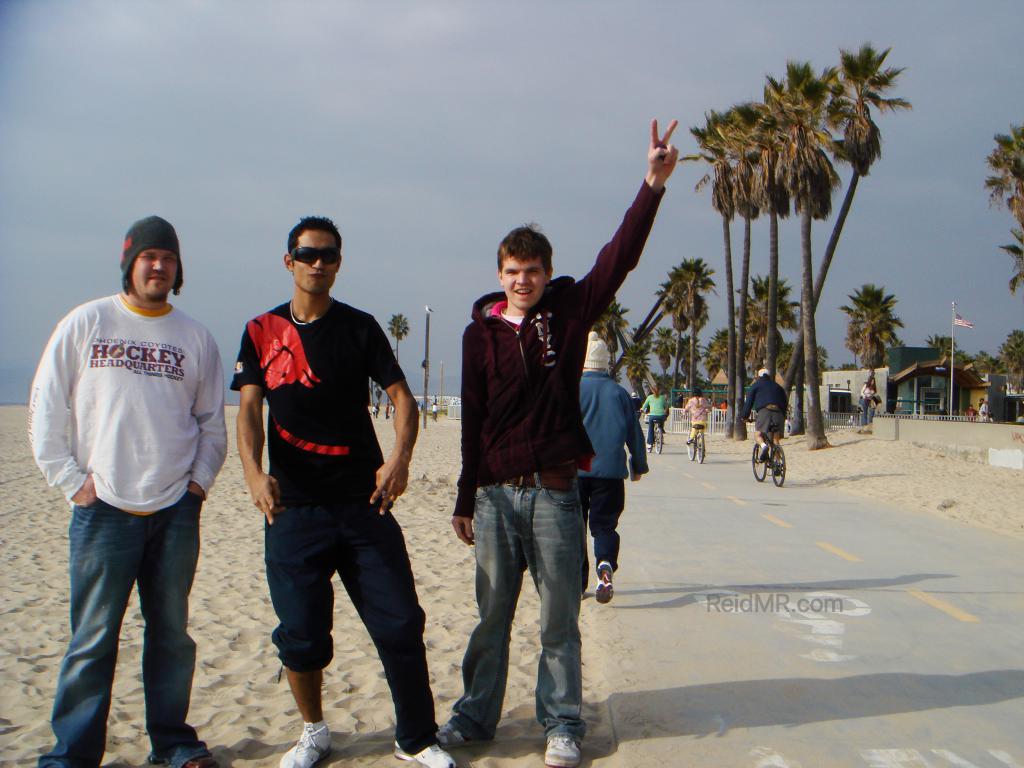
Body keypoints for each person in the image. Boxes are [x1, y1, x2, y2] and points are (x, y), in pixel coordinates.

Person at [441, 119, 679, 768]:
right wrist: (465, 496)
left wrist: (651, 186)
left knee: (557, 620)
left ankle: (562, 724)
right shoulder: (478, 336)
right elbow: (473, 418)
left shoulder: (570, 311)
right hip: (493, 497)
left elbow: (618, 258)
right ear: (500, 273)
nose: (523, 280)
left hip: (554, 492)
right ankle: (472, 716)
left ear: (548, 272)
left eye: (534, 270)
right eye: (513, 271)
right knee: (491, 617)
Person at [232, 216, 453, 768]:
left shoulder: (360, 327)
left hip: (364, 506)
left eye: (329, 255)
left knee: (401, 622)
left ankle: (416, 737)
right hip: (293, 510)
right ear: (289, 260)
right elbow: (251, 408)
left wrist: (400, 461)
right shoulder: (261, 330)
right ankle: (313, 731)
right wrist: (253, 474)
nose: (318, 263)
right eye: (308, 254)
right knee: (302, 636)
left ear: (338, 262)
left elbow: (403, 398)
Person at [28, 216, 227, 768]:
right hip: (103, 511)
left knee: (171, 637)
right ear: (129, 262)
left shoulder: (194, 337)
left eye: (167, 257)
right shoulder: (87, 322)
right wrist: (71, 482)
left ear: (178, 268)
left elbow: (212, 425)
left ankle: (174, 742)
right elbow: (46, 407)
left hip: (174, 512)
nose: (158, 266)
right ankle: (73, 753)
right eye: (148, 257)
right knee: (92, 638)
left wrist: (196, 487)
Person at [577, 332, 648, 603]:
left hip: (575, 472)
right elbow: (635, 433)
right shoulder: (619, 394)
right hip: (610, 473)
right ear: (606, 363)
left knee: (575, 527)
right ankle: (605, 564)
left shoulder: (572, 389)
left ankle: (576, 581)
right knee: (604, 525)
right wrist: (638, 465)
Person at [741, 368, 788, 462]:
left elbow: (749, 402)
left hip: (764, 411)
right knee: (775, 440)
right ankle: (778, 464)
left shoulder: (756, 386)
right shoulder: (778, 386)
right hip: (778, 412)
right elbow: (785, 402)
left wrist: (745, 416)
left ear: (758, 376)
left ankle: (764, 446)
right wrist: (783, 415)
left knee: (758, 434)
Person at [640, 385, 669, 451]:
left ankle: (650, 443)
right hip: (661, 416)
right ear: (659, 391)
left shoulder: (649, 397)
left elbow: (644, 406)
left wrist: (641, 410)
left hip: (652, 416)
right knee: (662, 421)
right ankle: (661, 430)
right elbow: (667, 406)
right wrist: (664, 411)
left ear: (652, 391)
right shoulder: (662, 398)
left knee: (650, 427)